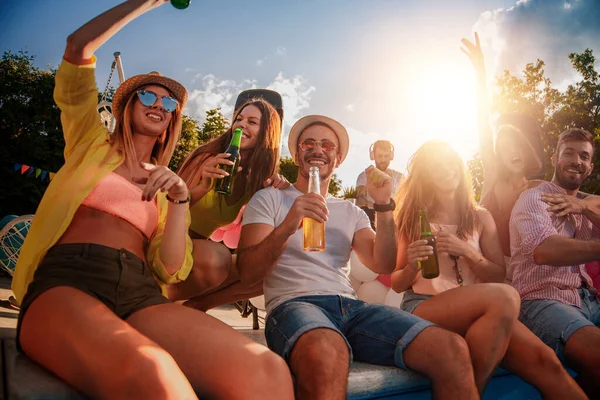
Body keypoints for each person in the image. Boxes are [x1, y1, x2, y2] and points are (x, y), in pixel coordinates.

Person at [11, 1, 294, 399]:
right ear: (128, 106)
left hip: (141, 291)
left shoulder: (166, 186)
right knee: (154, 373)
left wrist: (180, 200)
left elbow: (171, 267)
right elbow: (77, 49)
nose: (159, 104)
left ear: (173, 119)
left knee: (267, 369)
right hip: (69, 280)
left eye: (169, 102)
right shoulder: (89, 144)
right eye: (148, 96)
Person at [236, 114, 482, 400]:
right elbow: (249, 272)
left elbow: (384, 263)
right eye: (309, 144)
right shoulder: (269, 199)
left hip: (353, 308)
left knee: (450, 348)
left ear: (338, 158)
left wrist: (383, 206)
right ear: (296, 153)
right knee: (327, 350)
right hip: (295, 304)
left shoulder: (350, 211)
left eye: (327, 145)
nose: (318, 150)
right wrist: (289, 224)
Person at [392, 140, 585, 398]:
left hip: (483, 312)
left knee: (545, 361)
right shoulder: (413, 218)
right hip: (426, 305)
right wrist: (412, 265)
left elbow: (497, 274)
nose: (446, 168)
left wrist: (468, 252)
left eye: (450, 161)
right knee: (505, 297)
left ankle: (468, 391)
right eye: (436, 164)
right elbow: (396, 283)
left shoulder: (480, 216)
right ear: (425, 173)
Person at [166, 89, 289, 310]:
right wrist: (203, 185)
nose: (241, 125)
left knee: (270, 271)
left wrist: (282, 186)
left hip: (197, 253)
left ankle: (197, 306)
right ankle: (157, 298)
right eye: (239, 119)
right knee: (217, 257)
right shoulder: (207, 157)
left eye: (252, 122)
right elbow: (164, 209)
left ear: (267, 132)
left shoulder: (257, 180)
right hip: (168, 242)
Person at [510, 128, 600, 396]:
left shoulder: (585, 207)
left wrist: (584, 206)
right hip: (542, 301)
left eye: (584, 156)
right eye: (569, 153)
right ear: (555, 159)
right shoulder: (534, 197)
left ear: (590, 167)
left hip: (588, 300)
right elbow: (544, 251)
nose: (576, 161)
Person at [461, 33, 545, 279]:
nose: (512, 152)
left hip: (525, 273)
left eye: (517, 146)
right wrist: (480, 72)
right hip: (481, 268)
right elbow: (482, 122)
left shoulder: (539, 188)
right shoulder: (493, 175)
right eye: (505, 147)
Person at [356, 140, 404, 229]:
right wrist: (383, 208)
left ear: (391, 156)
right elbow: (360, 201)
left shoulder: (400, 177)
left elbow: (404, 202)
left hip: (395, 220)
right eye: (380, 156)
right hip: (371, 220)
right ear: (373, 156)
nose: (383, 160)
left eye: (386, 156)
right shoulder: (363, 177)